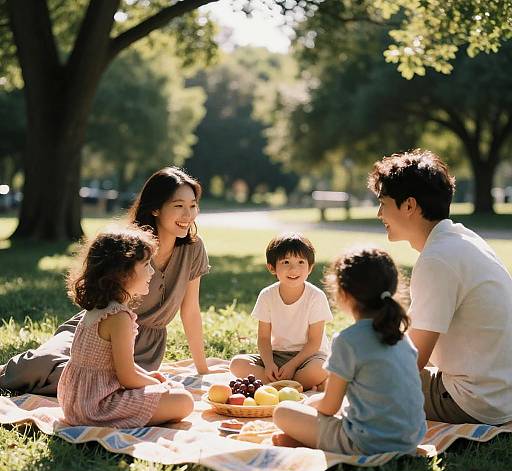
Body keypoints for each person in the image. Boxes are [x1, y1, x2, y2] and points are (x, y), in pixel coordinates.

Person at [0, 167, 214, 396]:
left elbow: (190, 310)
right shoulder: (130, 247)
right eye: (178, 206)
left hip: (142, 348)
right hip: (97, 329)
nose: (188, 215)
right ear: (155, 208)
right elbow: (99, 293)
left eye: (193, 205)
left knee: (80, 382)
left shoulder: (194, 248)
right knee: (39, 364)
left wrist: (202, 369)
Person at [369, 149, 512, 425]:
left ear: (409, 205)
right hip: (501, 392)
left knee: (362, 383)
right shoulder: (462, 239)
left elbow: (412, 362)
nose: (379, 213)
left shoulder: (437, 259)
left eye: (383, 203)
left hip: (475, 401)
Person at [272, 248, 426, 454]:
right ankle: (304, 439)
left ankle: (307, 441)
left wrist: (309, 403)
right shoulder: (402, 337)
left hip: (365, 443)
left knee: (283, 412)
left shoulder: (348, 340)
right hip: (410, 440)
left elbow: (329, 407)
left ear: (342, 293)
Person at [58, 226, 194, 427]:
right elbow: (127, 377)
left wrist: (148, 376)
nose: (152, 271)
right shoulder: (118, 317)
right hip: (97, 406)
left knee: (169, 387)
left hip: (75, 402)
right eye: (146, 264)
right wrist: (158, 385)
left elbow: (118, 365)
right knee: (184, 402)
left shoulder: (99, 308)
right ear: (122, 273)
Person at [230, 233, 333, 391]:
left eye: (301, 262)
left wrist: (292, 366)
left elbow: (314, 342)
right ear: (272, 267)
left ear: (310, 267)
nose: (293, 269)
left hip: (309, 356)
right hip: (277, 355)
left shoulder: (316, 296)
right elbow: (264, 338)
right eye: (286, 262)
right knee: (237, 364)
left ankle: (275, 385)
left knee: (321, 369)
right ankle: (291, 385)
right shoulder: (267, 295)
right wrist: (269, 364)